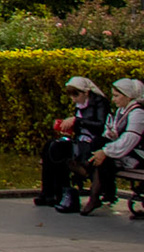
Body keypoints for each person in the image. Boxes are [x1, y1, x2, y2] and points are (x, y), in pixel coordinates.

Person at [75, 77, 144, 215]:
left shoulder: (138, 113)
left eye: (117, 96)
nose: (113, 99)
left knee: (101, 153)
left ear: (128, 96)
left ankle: (95, 189)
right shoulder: (121, 111)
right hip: (125, 154)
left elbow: (130, 139)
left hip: (139, 157)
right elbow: (115, 133)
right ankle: (98, 191)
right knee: (98, 144)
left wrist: (106, 151)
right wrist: (110, 137)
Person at [41, 75, 110, 212]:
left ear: (86, 92)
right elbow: (80, 126)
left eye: (76, 95)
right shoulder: (80, 105)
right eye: (71, 95)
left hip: (94, 142)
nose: (73, 99)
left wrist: (77, 121)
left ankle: (64, 193)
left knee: (59, 151)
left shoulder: (99, 103)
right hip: (81, 140)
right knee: (50, 147)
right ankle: (49, 192)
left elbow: (101, 126)